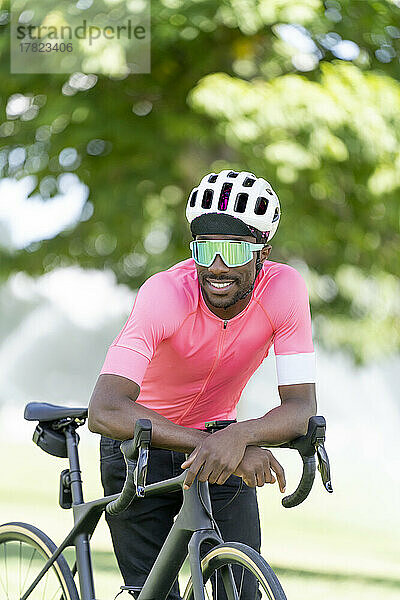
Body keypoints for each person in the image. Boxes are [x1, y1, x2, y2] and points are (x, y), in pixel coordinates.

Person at [88, 169, 317, 599]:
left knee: (245, 587)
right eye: (205, 248)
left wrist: (238, 436)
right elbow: (106, 409)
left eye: (232, 250)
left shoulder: (285, 290)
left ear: (261, 253)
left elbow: (301, 406)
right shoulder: (165, 294)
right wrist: (213, 443)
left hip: (220, 440)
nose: (216, 266)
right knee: (155, 595)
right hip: (140, 444)